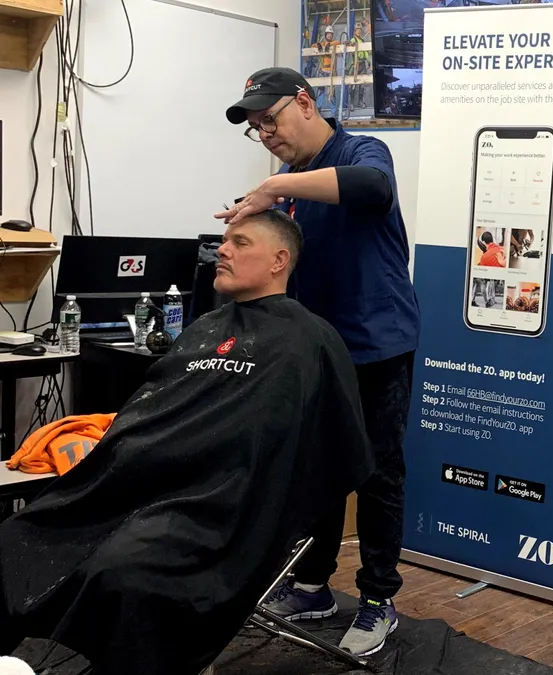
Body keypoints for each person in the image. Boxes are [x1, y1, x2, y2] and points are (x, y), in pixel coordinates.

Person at [0, 210, 373, 675]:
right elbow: (153, 411)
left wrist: (269, 499)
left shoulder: (311, 340)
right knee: (18, 536)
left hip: (218, 508)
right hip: (136, 487)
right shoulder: (205, 328)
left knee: (126, 571)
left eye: (240, 242)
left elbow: (338, 450)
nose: (223, 250)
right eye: (224, 241)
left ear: (279, 260)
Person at [219, 66, 420, 657]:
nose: (265, 133)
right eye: (254, 127)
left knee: (377, 472)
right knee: (319, 468)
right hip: (318, 346)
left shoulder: (362, 149)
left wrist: (279, 189)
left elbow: (372, 190)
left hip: (378, 343)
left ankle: (379, 599)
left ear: (304, 103)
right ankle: (313, 586)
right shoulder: (289, 178)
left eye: (270, 119)